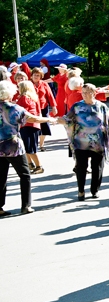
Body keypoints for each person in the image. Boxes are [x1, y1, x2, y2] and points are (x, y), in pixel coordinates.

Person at [59, 84, 109, 200]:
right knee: (81, 167)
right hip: (80, 143)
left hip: (98, 143)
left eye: (87, 92)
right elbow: (67, 119)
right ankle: (81, 191)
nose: (85, 94)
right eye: (83, 92)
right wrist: (59, 120)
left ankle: (95, 190)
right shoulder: (77, 106)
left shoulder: (101, 107)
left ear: (94, 93)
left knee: (97, 167)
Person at [0, 81, 53, 216]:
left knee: (1, 177)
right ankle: (26, 205)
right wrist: (48, 119)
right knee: (24, 175)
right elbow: (31, 118)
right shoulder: (14, 108)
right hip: (13, 145)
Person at [16, 81, 43, 174]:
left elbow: (21, 112)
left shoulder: (24, 98)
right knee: (27, 147)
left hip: (28, 125)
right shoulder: (32, 97)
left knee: (30, 147)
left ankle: (39, 166)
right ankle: (30, 164)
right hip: (32, 125)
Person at [30, 69, 57, 152]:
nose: (36, 76)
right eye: (34, 74)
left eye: (38, 75)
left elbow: (50, 95)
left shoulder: (44, 84)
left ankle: (41, 145)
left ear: (41, 76)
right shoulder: (28, 84)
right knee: (33, 126)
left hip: (43, 107)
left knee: (44, 126)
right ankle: (34, 144)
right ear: (31, 75)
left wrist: (54, 107)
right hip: (32, 108)